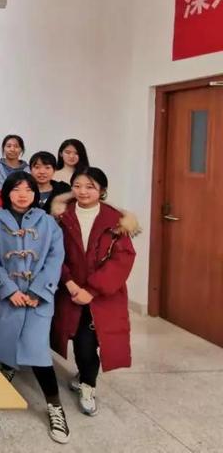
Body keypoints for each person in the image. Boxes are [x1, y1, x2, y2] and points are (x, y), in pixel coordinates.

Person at [0, 172, 69, 444]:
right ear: (7, 192)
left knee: (38, 351)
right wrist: (8, 289)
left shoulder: (48, 223)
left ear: (35, 194)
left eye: (28, 190)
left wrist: (38, 291)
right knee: (5, 339)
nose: (22, 195)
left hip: (38, 298)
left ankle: (54, 406)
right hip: (6, 297)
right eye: (16, 189)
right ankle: (8, 367)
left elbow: (55, 258)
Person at [51, 167, 138, 418]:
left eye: (90, 187)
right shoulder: (62, 217)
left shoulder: (116, 221)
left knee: (91, 342)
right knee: (80, 340)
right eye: (77, 186)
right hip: (71, 290)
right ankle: (85, 376)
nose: (83, 191)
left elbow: (122, 259)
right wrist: (69, 282)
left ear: (102, 190)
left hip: (102, 295)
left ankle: (88, 385)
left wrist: (92, 290)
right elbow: (54, 253)